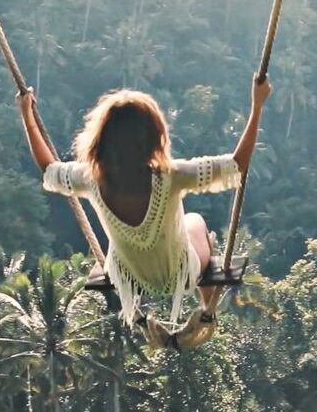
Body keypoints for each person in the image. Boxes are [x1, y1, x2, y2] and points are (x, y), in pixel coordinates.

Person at [17, 74, 271, 349]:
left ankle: (138, 316)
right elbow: (236, 165)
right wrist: (257, 106)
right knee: (194, 221)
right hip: (180, 274)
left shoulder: (89, 178)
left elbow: (48, 168)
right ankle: (206, 308)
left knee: (120, 246)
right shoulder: (171, 176)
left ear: (99, 140)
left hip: (127, 277)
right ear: (154, 137)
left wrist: (27, 117)